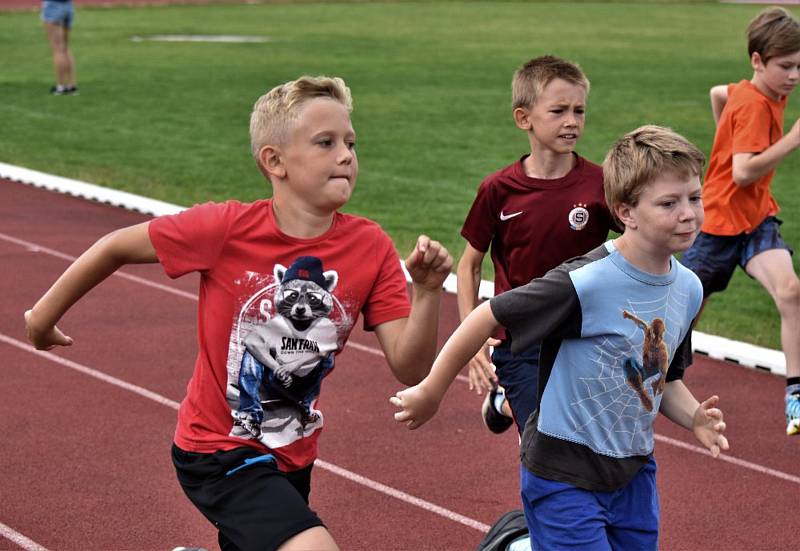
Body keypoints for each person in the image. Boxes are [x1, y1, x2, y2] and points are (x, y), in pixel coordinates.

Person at [24, 75, 453, 551]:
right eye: (326, 143)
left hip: (293, 454)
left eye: (351, 143)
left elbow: (410, 366)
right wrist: (43, 317)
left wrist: (429, 291)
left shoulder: (369, 246)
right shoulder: (226, 228)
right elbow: (114, 247)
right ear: (274, 161)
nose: (346, 155)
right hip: (217, 449)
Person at [392, 125, 729, 550]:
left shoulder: (688, 290)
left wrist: (695, 416)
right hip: (561, 470)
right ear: (625, 211)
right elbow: (487, 314)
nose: (688, 213)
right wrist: (431, 390)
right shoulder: (585, 282)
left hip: (633, 474)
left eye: (694, 198)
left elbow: (664, 381)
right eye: (669, 203)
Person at [457, 55, 616, 435]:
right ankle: (512, 403)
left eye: (579, 111)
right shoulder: (498, 190)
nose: (572, 121)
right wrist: (472, 338)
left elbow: (635, 244)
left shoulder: (601, 185)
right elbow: (469, 265)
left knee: (582, 434)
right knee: (542, 440)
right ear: (523, 118)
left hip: (582, 336)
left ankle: (502, 402)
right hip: (520, 342)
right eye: (559, 110)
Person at [679, 6, 800, 436]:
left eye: (799, 65)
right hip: (717, 225)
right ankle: (657, 376)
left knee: (790, 291)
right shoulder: (753, 105)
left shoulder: (766, 92)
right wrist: (792, 140)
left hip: (756, 219)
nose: (794, 75)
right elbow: (743, 172)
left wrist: (722, 138)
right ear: (757, 61)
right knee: (686, 308)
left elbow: (718, 93)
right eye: (785, 66)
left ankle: (796, 395)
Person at [41, 0, 78, 95]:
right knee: (65, 47)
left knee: (57, 48)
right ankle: (71, 85)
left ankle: (60, 86)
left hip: (53, 5)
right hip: (68, 5)